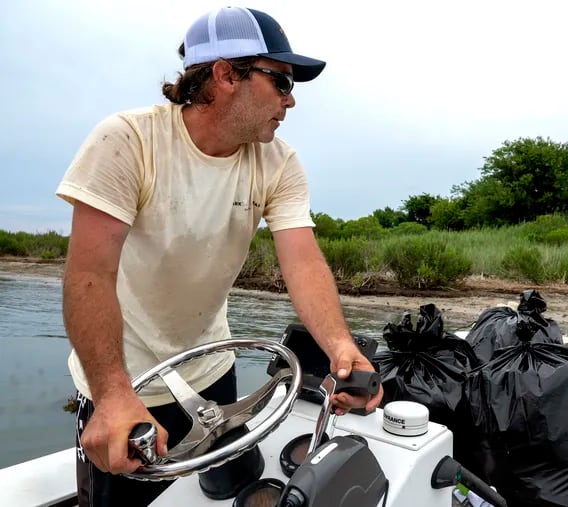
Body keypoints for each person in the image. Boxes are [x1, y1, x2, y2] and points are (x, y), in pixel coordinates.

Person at [56, 6, 382, 506]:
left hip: (210, 369)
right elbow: (89, 274)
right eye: (281, 81)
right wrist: (113, 393)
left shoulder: (279, 162)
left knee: (222, 494)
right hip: (122, 380)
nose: (291, 100)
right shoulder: (128, 140)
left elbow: (302, 260)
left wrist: (341, 347)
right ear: (225, 74)